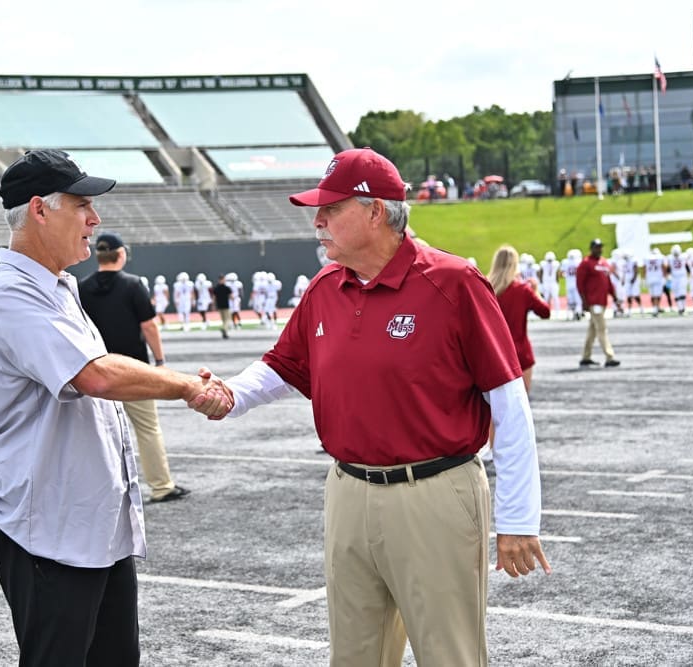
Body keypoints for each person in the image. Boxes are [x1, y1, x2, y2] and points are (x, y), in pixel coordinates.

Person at [209, 148, 550, 665]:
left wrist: (519, 517)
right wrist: (232, 394)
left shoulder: (454, 283)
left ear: (375, 211)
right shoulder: (325, 286)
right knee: (355, 656)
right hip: (348, 491)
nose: (317, 220)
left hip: (434, 493)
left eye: (330, 208)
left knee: (449, 655)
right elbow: (284, 364)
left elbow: (509, 404)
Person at [0, 149, 230, 667]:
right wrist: (185, 386)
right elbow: (95, 374)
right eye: (82, 204)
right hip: (48, 525)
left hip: (89, 519)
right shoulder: (9, 294)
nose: (95, 218)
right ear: (40, 210)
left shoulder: (58, 286)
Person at [80, 231, 190, 503]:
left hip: (97, 370)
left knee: (98, 435)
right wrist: (160, 361)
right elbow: (149, 325)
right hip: (133, 371)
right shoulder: (132, 284)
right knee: (147, 429)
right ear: (121, 254)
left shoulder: (81, 287)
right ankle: (161, 485)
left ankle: (102, 491)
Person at [488, 245, 551, 393]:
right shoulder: (522, 290)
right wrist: (536, 292)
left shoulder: (486, 289)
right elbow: (545, 312)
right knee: (521, 403)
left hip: (493, 351)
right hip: (520, 351)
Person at [576, 238, 621, 367]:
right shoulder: (586, 263)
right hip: (593, 301)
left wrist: (615, 296)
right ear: (591, 248)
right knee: (602, 328)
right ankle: (609, 356)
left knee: (593, 330)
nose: (599, 249)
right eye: (597, 247)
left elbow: (608, 282)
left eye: (601, 247)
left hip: (602, 301)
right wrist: (584, 301)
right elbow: (580, 284)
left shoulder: (604, 262)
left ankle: (586, 356)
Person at [213, 274, 232, 339]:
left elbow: (214, 298)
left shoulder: (216, 288)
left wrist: (214, 305)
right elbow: (231, 297)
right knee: (228, 319)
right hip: (226, 305)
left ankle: (225, 333)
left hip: (219, 305)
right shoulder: (226, 288)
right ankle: (224, 329)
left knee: (223, 320)